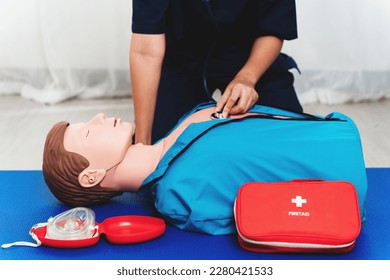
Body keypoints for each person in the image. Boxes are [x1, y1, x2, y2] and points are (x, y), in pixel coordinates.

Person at [42, 102, 368, 235]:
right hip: (343, 191)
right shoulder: (179, 195)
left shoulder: (183, 125)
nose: (98, 118)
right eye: (88, 131)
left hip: (336, 130)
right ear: (92, 176)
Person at [130, 0, 303, 144]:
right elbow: (146, 50)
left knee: (292, 139)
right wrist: (142, 143)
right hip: (180, 60)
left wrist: (247, 78)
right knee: (162, 147)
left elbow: (273, 29)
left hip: (251, 56)